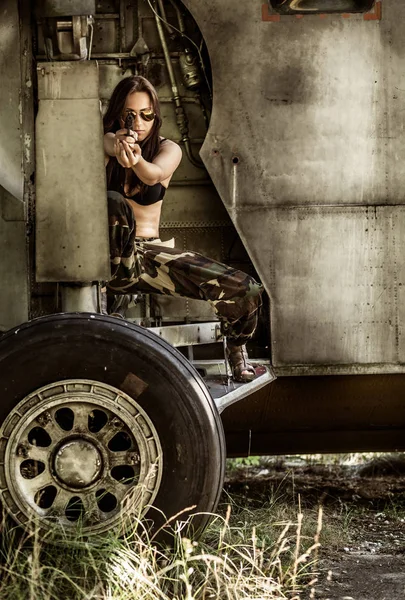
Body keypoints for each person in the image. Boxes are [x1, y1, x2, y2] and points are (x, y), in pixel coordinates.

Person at [103, 75, 263, 382]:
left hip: (149, 254)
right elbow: (106, 142)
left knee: (247, 290)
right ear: (118, 114)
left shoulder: (169, 149)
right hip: (108, 258)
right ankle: (106, 298)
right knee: (113, 202)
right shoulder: (106, 143)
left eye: (146, 114)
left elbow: (153, 175)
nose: (139, 122)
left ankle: (237, 347)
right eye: (130, 114)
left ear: (156, 115)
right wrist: (115, 142)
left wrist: (135, 160)